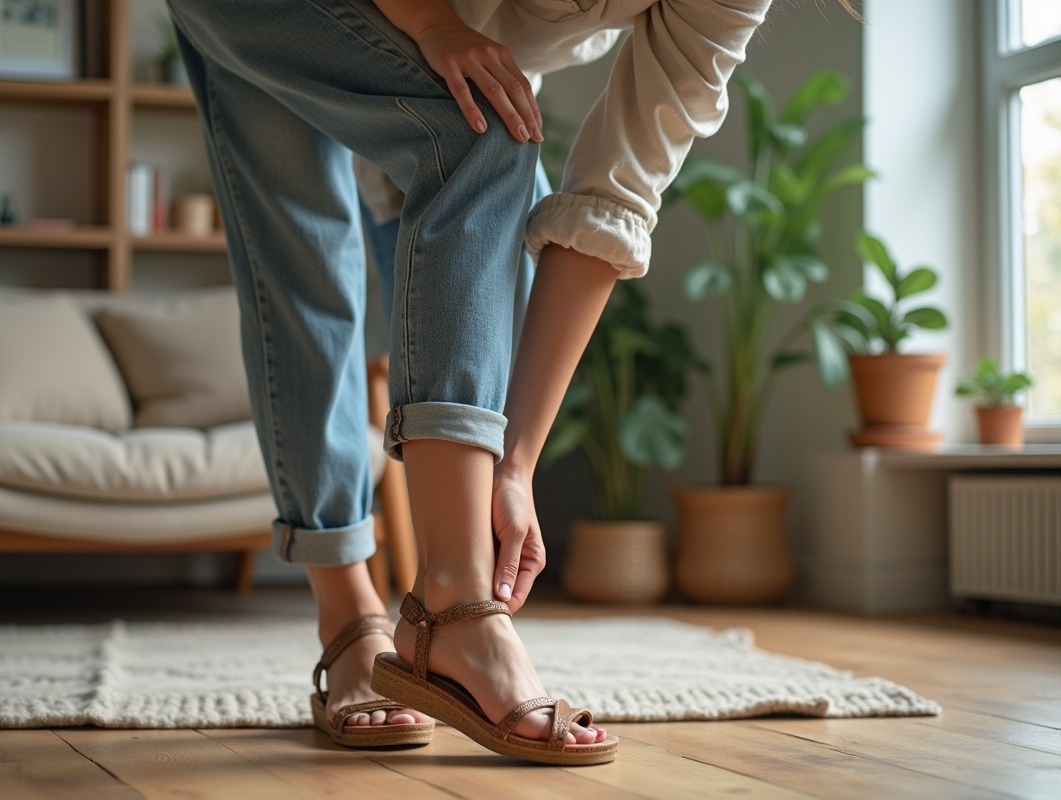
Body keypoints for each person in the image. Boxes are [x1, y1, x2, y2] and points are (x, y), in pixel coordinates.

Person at [165, 0, 795, 764]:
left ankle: (445, 612)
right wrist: (433, 26)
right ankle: (378, 612)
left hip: (442, 33)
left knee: (486, 156)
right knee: (319, 239)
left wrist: (516, 464)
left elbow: (612, 200)